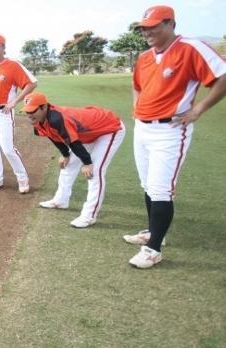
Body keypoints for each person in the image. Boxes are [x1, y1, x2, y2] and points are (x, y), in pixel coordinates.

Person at [124, 5, 225, 268]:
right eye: (143, 28)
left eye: (153, 26)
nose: (147, 32)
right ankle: (153, 232)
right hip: (143, 128)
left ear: (170, 24)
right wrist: (137, 108)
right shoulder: (145, 57)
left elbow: (222, 76)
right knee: (148, 185)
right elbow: (136, 86)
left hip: (170, 130)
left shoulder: (190, 48)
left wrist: (198, 109)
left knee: (161, 189)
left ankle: (153, 249)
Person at [21, 92, 126, 228]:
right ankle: (61, 200)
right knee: (69, 164)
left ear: (44, 107)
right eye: (27, 111)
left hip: (109, 128)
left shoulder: (57, 119)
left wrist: (87, 163)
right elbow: (54, 137)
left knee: (95, 171)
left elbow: (74, 142)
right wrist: (65, 154)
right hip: (88, 132)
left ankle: (89, 216)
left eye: (32, 111)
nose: (29, 115)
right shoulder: (38, 120)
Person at [0, 33, 38, 193]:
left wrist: (14, 102)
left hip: (2, 113)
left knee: (8, 149)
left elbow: (32, 83)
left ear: (3, 48)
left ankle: (22, 179)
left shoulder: (13, 65)